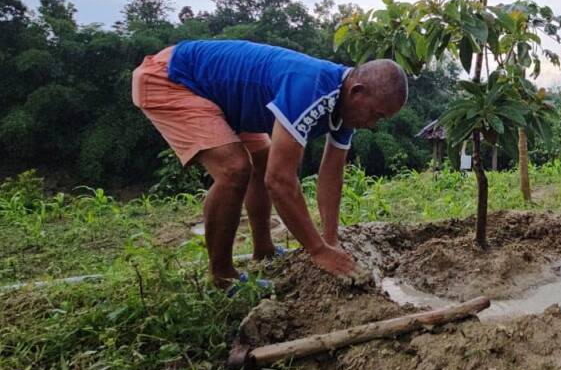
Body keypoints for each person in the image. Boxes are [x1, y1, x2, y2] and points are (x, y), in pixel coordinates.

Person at [131, 40, 407, 287]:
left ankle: (263, 249)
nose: (372, 125)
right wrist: (318, 251)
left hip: (228, 100)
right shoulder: (311, 88)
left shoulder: (346, 107)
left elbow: (331, 177)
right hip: (174, 78)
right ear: (357, 92)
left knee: (262, 158)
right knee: (235, 170)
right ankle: (221, 276)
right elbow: (280, 182)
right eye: (376, 115)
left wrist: (331, 240)